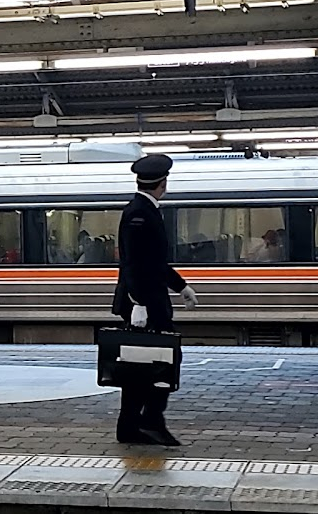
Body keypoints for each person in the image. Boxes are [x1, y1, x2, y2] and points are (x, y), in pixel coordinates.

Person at [111, 154, 198, 447]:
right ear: (163, 183)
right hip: (145, 304)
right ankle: (147, 421)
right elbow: (134, 262)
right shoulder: (139, 213)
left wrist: (181, 286)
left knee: (144, 364)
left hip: (148, 300)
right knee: (158, 361)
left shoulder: (145, 209)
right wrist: (138, 302)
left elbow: (154, 262)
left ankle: (135, 425)